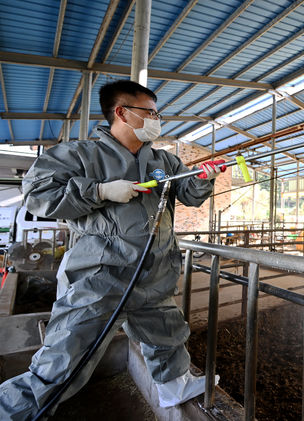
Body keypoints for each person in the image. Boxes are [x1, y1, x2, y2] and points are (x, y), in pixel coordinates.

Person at [0, 80, 224, 420]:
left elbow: (189, 194)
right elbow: (38, 194)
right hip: (102, 275)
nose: (156, 119)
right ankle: (13, 411)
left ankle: (173, 385)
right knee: (66, 357)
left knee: (167, 334)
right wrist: (100, 190)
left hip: (154, 273)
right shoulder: (81, 155)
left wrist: (203, 179)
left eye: (156, 113)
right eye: (149, 112)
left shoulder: (163, 159)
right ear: (121, 112)